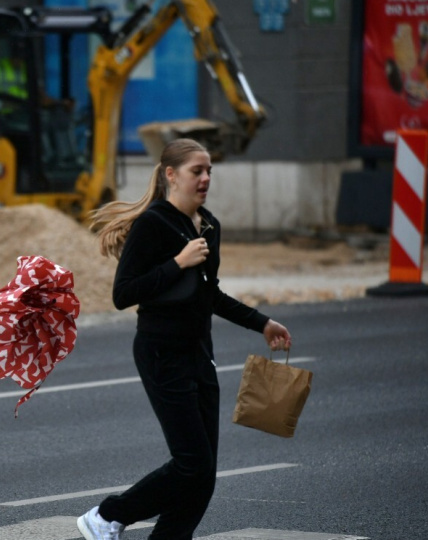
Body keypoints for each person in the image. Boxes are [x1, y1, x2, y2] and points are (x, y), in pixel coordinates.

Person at [76, 138, 292, 540]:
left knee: (203, 474)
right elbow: (123, 293)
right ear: (171, 175)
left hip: (199, 353)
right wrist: (177, 262)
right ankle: (107, 516)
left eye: (209, 170)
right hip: (161, 352)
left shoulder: (209, 225)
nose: (206, 178)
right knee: (191, 462)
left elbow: (210, 294)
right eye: (197, 171)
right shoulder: (154, 224)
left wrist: (261, 322)